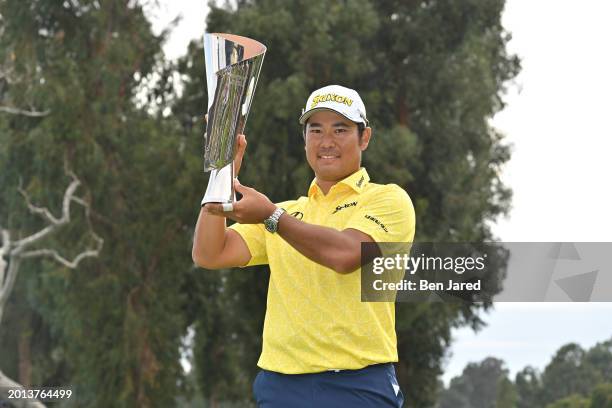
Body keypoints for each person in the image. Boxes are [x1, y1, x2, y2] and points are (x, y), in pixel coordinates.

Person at [192, 85, 415, 407]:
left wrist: (272, 216)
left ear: (364, 137)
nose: (327, 141)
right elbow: (209, 253)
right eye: (316, 130)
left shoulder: (387, 199)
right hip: (280, 385)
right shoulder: (289, 211)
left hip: (357, 384)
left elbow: (346, 254)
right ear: (305, 139)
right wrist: (221, 173)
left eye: (340, 129)